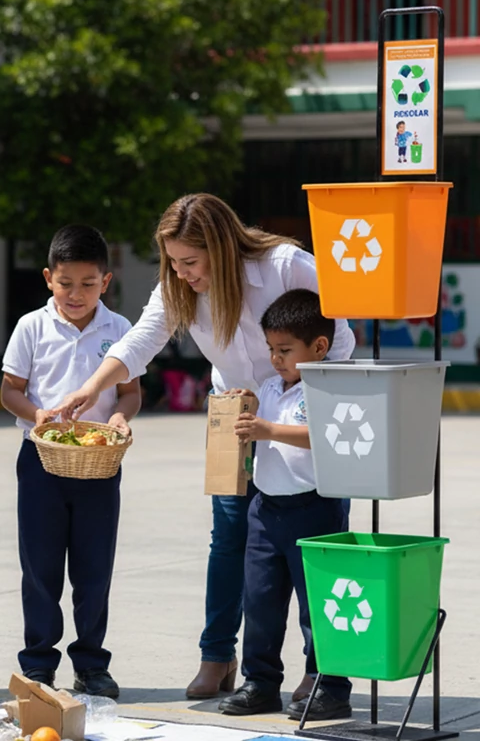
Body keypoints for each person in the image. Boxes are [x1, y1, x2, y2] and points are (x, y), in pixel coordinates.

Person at [54, 194, 355, 707]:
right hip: (233, 412)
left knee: (314, 550)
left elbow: (340, 337)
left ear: (219, 247)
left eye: (190, 262)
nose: (182, 273)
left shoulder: (284, 266)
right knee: (232, 538)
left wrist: (297, 401)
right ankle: (221, 656)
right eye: (173, 262)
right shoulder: (179, 286)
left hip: (301, 410)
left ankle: (322, 671)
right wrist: (91, 387)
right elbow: (142, 341)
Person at [0, 224, 139, 698]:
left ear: (106, 281)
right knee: (39, 567)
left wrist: (120, 416)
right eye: (65, 283)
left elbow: (131, 392)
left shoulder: (120, 330)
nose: (75, 294)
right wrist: (38, 416)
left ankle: (92, 664)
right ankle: (38, 663)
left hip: (99, 464)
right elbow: (9, 392)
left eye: (87, 283)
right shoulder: (31, 327)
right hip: (40, 461)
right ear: (47, 279)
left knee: (94, 568)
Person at [218, 289, 351, 721]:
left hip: (315, 511)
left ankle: (329, 685)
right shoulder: (272, 386)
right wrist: (248, 408)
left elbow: (321, 437)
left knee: (321, 607)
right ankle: (260, 682)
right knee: (260, 602)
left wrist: (268, 429)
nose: (276, 359)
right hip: (266, 510)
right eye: (272, 349)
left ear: (319, 347)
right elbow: (263, 424)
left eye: (285, 350)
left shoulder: (327, 387)